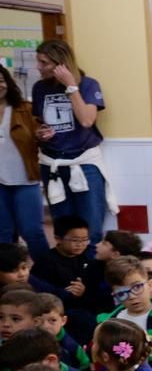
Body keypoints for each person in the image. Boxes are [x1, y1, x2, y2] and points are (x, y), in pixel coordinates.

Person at [30, 41, 109, 243]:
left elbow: (86, 120)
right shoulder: (40, 88)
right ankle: (68, 272)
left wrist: (70, 85)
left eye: (44, 62)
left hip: (83, 164)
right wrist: (40, 132)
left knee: (90, 228)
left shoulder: (88, 84)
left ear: (61, 63)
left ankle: (89, 272)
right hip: (52, 164)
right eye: (38, 61)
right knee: (63, 229)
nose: (39, 67)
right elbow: (38, 122)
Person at [0, 66, 46, 261]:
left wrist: (42, 135)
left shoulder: (25, 109)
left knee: (32, 232)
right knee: (3, 233)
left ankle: (46, 274)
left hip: (26, 181)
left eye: (1, 80)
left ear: (8, 83)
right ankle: (7, 278)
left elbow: (41, 134)